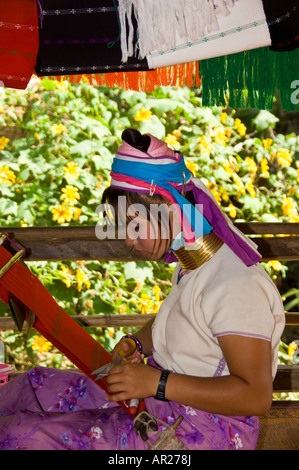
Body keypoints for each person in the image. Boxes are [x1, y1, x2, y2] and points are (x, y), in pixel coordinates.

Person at [0, 129, 285, 450]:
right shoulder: (193, 265)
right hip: (163, 398)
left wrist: (157, 383)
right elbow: (185, 320)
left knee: (22, 436)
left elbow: (255, 396)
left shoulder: (236, 285)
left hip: (204, 428)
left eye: (136, 224)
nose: (129, 240)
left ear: (167, 207)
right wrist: (136, 342)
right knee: (33, 386)